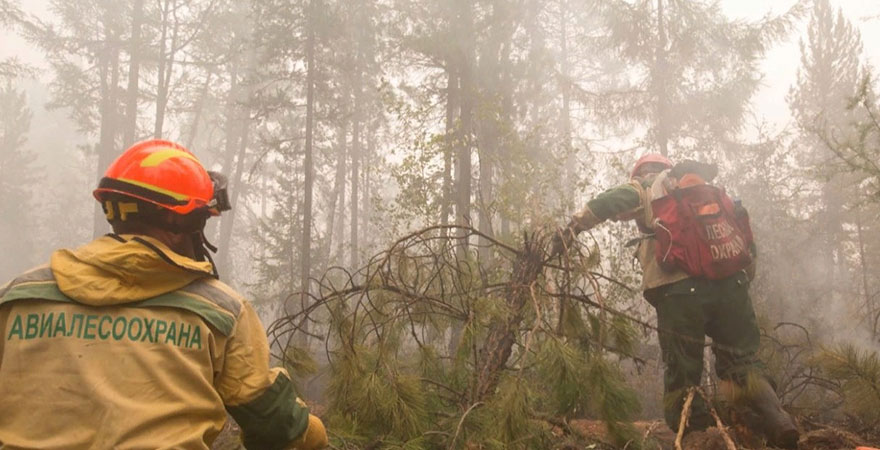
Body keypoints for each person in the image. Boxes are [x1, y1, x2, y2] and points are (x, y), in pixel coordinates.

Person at [0, 139, 328, 450]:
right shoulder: (222, 310)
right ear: (176, 219)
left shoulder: (19, 297)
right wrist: (314, 434)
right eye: (201, 219)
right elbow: (275, 427)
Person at [551, 153, 799, 448]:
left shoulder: (645, 188)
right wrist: (735, 287)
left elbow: (607, 203)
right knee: (743, 361)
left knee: (683, 372)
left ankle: (698, 437)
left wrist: (572, 229)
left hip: (680, 292)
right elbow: (746, 247)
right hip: (732, 285)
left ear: (640, 173)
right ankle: (775, 419)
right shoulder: (710, 195)